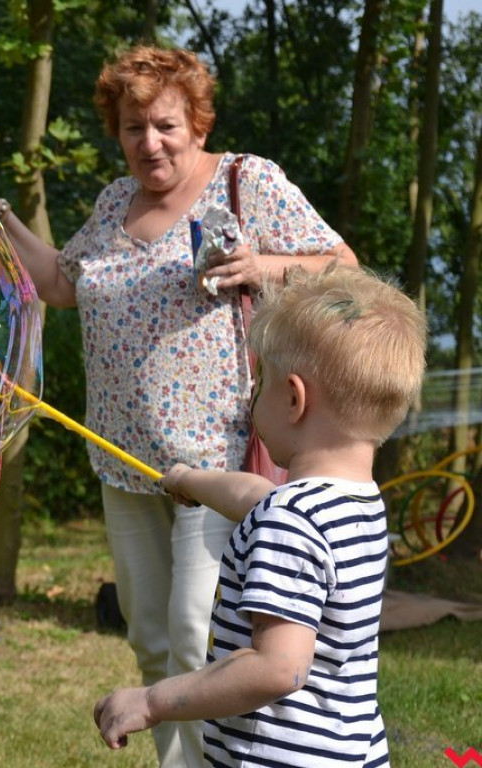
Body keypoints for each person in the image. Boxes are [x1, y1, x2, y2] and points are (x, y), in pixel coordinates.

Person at [0, 44, 356, 766]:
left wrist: (264, 267)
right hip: (121, 456)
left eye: (166, 125)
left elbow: (344, 266)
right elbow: (57, 280)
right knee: (150, 636)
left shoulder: (247, 182)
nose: (150, 143)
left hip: (218, 459)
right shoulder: (114, 202)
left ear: (198, 123)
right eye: (133, 128)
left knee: (196, 631)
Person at [94, 264, 427, 767]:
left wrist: (152, 700)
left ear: (293, 399)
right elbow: (258, 495)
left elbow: (278, 668)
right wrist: (191, 480)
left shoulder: (292, 521)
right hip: (347, 751)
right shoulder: (358, 503)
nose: (253, 397)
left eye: (261, 381)